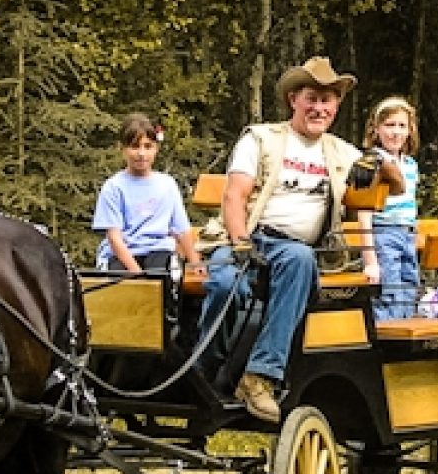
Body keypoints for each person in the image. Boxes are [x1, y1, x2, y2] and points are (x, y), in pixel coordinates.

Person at [196, 56, 365, 423]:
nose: (319, 108)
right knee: (225, 285)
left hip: (295, 251)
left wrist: (379, 168)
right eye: (312, 98)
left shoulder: (342, 152)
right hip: (248, 237)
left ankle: (260, 377)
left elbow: (395, 183)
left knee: (300, 259)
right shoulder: (261, 138)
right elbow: (234, 196)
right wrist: (241, 243)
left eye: (327, 100)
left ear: (336, 106)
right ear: (294, 100)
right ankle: (204, 368)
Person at [92, 113, 205, 276]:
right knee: (121, 281)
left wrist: (195, 262)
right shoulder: (113, 187)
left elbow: (181, 229)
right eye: (135, 146)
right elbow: (114, 237)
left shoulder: (167, 185)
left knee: (162, 275)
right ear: (122, 149)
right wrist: (137, 273)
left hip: (158, 250)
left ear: (156, 149)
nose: (141, 153)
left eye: (147, 146)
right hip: (123, 253)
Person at [358, 96, 422, 321]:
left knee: (409, 287)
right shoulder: (372, 162)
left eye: (402, 126)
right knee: (390, 291)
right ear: (376, 129)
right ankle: (388, 341)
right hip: (383, 234)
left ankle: (406, 346)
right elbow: (363, 213)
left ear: (410, 130)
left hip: (408, 234)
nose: (395, 132)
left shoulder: (410, 165)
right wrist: (370, 261)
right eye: (389, 125)